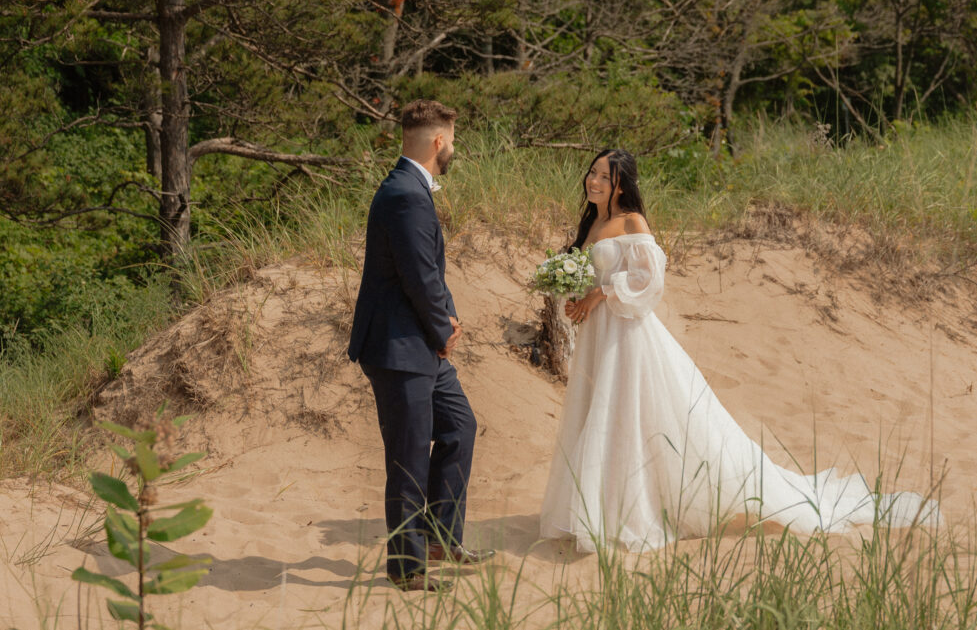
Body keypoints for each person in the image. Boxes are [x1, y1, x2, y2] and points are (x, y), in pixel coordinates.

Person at [539, 149, 940, 553]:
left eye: (602, 177)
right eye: (591, 173)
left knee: (627, 416)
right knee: (597, 413)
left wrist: (599, 294)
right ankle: (596, 509)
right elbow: (588, 269)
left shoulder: (631, 222)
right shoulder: (595, 223)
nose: (593, 181)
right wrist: (575, 295)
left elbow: (649, 281)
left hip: (626, 336)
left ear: (620, 183)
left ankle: (628, 513)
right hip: (598, 335)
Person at [348, 99, 494, 592]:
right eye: (452, 139)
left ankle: (439, 537)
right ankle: (407, 569)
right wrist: (444, 330)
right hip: (399, 347)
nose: (454, 147)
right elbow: (419, 277)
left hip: (420, 344)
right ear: (438, 142)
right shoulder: (405, 195)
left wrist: (443, 324)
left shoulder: (409, 189)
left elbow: (426, 272)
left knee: (459, 426)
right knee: (409, 459)